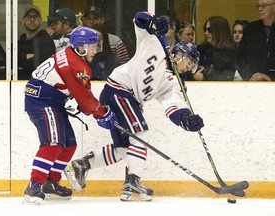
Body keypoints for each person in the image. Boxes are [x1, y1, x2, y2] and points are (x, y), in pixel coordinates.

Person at [67, 12, 204, 202]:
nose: (189, 68)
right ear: (179, 55)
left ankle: (82, 165)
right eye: (189, 63)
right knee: (140, 134)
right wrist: (154, 22)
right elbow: (139, 19)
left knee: (124, 149)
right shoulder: (156, 44)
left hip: (128, 100)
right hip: (119, 91)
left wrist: (186, 120)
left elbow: (173, 107)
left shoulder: (173, 82)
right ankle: (133, 180)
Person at [23, 26, 117, 205]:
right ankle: (34, 185)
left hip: (51, 101)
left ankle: (51, 182)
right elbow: (86, 100)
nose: (96, 50)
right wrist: (102, 113)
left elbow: (81, 93)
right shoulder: (75, 64)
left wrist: (92, 108)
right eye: (93, 46)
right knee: (53, 143)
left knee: (69, 144)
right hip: (42, 102)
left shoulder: (71, 55)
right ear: (81, 47)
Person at [237, 0, 275, 81]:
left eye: (264, 6)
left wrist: (271, 78)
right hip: (252, 83)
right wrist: (249, 77)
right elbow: (240, 59)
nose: (260, 9)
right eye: (258, 6)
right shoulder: (251, 29)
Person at [18, 5, 56, 80]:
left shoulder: (47, 41)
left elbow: (41, 64)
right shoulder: (18, 43)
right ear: (23, 21)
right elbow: (10, 62)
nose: (32, 20)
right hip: (17, 84)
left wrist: (22, 60)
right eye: (28, 17)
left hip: (40, 85)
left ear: (41, 20)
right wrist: (30, 58)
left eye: (35, 17)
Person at [197, 16, 236, 81]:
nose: (206, 33)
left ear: (219, 31)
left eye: (210, 30)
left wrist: (204, 77)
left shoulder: (230, 53)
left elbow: (227, 77)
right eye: (205, 29)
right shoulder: (200, 49)